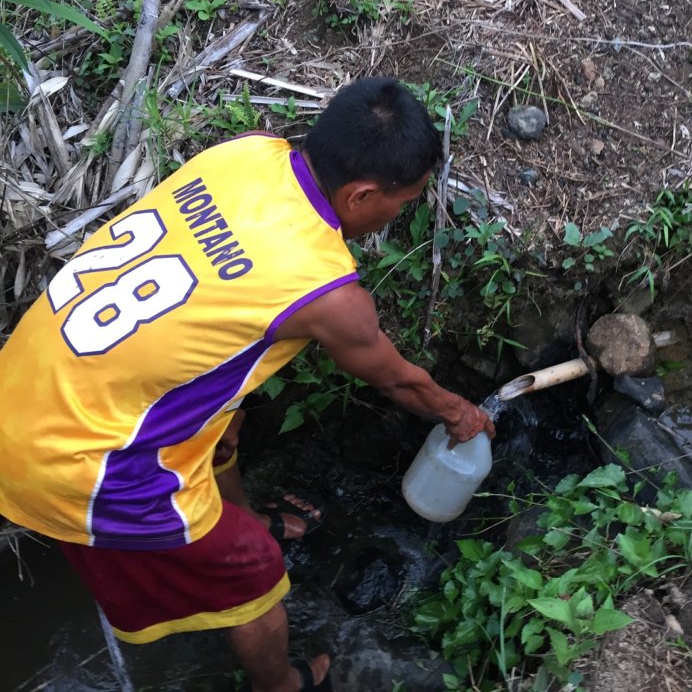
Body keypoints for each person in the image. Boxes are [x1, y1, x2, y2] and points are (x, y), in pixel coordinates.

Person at [0, 77, 496, 692]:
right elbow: (401, 382)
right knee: (256, 573)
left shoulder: (247, 154)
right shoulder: (329, 296)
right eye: (404, 201)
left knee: (226, 420)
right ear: (363, 193)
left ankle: (242, 514)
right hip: (79, 459)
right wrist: (460, 414)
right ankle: (281, 685)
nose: (402, 213)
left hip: (24, 385)